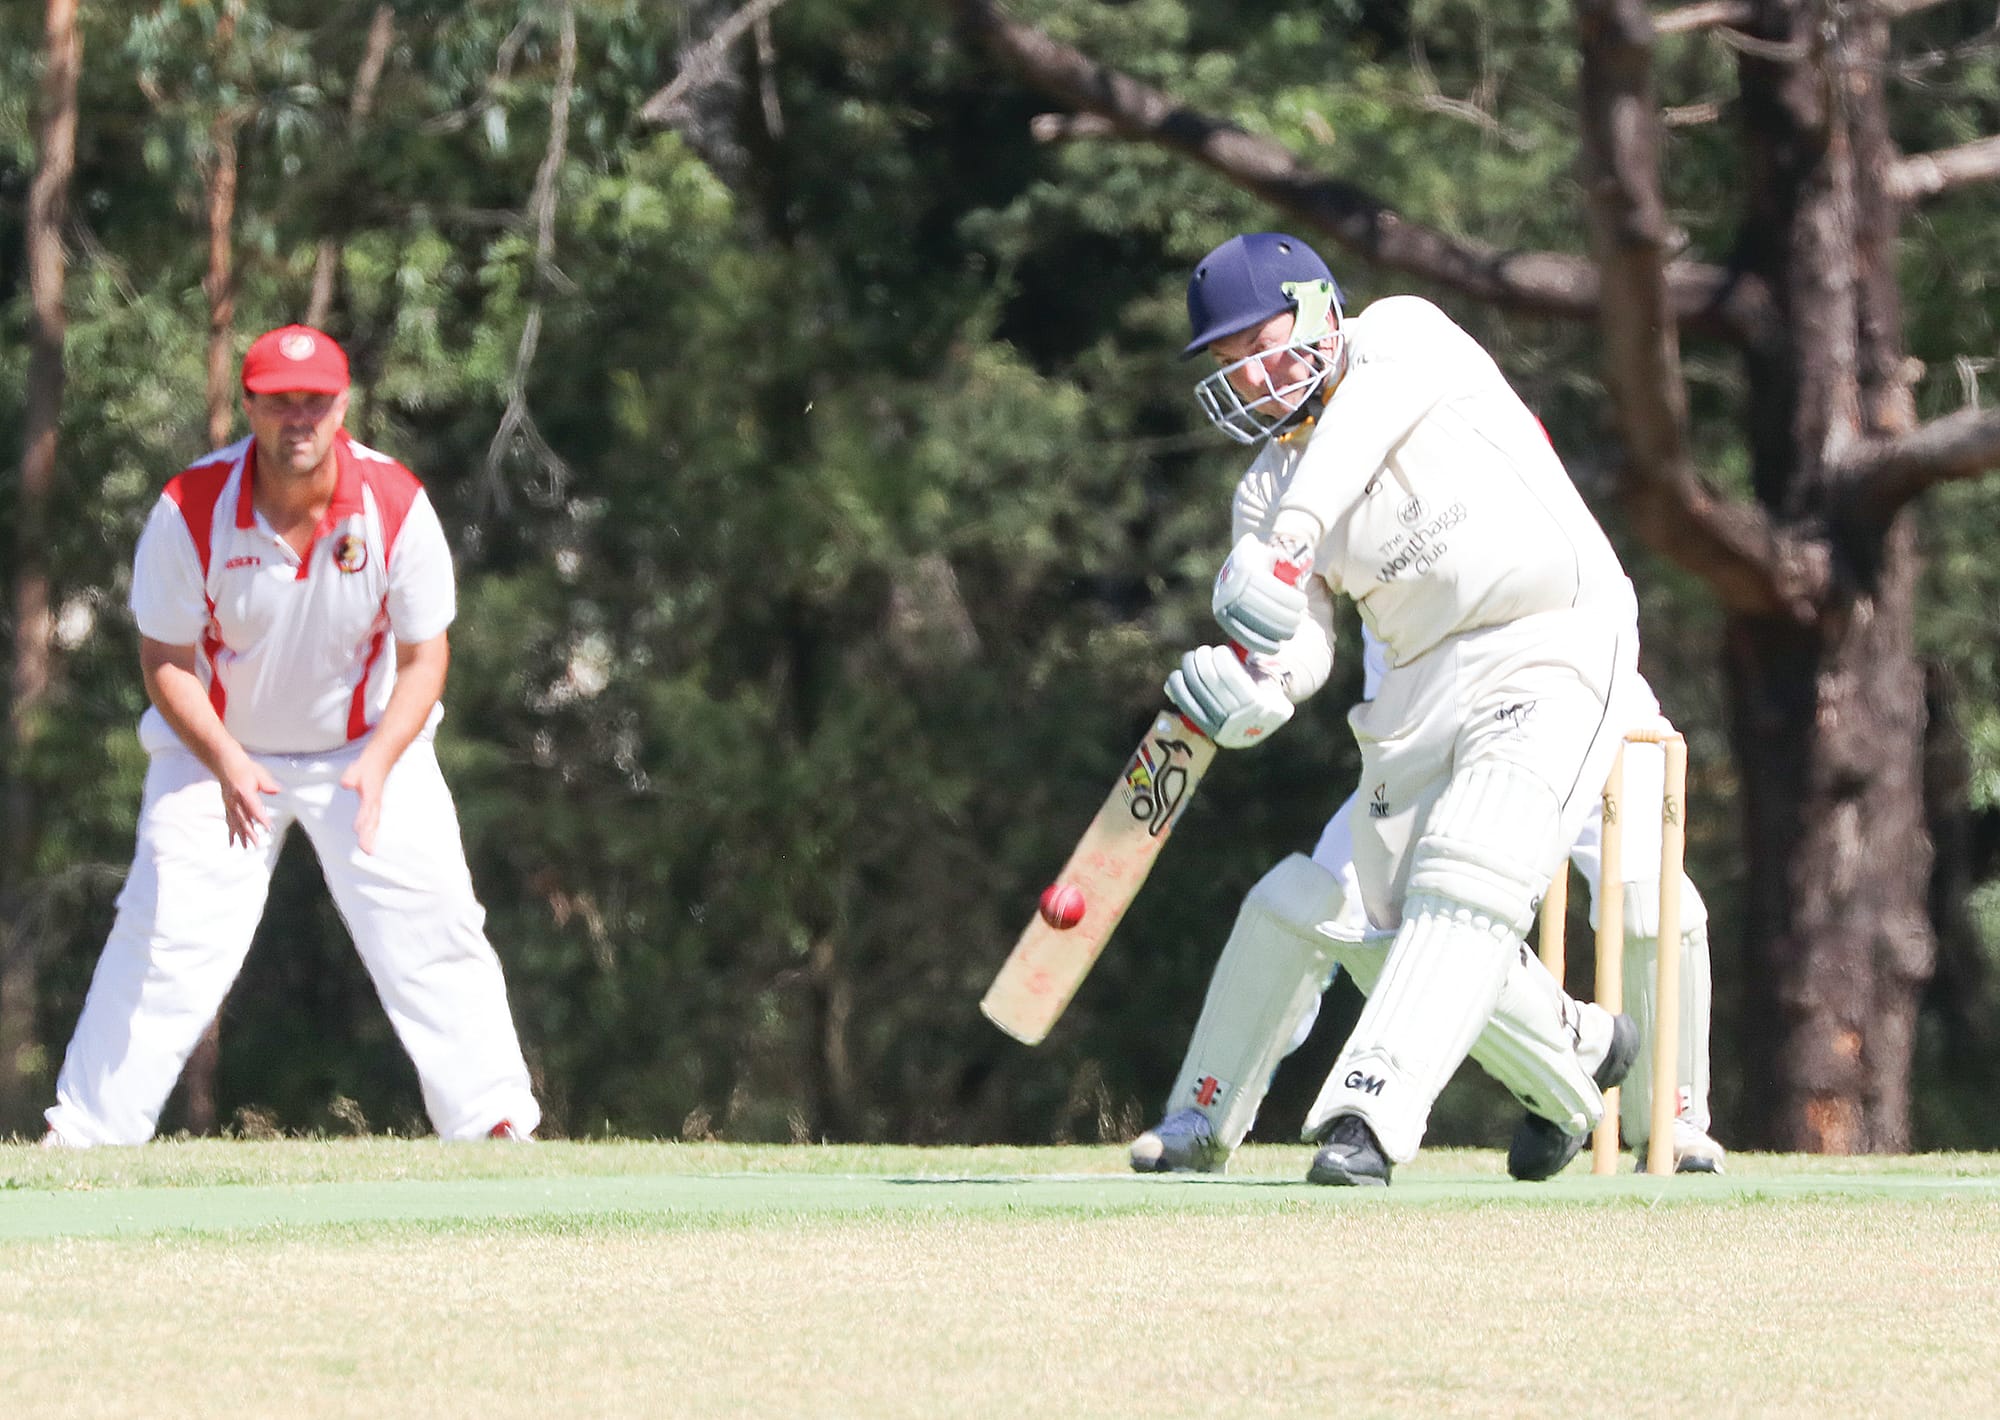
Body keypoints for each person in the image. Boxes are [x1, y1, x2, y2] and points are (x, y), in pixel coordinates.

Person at [1153, 231, 1675, 1186]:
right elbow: (1304, 646)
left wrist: (1295, 537)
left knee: (1473, 869)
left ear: (1317, 314)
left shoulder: (1406, 336)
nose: (1247, 379)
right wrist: (1255, 698)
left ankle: (1366, 1122)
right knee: (1380, 931)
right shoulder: (1263, 492)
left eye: (1254, 346)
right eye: (1227, 364)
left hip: (1551, 633)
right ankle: (1576, 1065)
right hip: (1416, 688)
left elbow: (1364, 424)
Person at [42, 324, 540, 1147]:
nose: (298, 419)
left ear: (343, 406)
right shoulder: (187, 510)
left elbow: (425, 655)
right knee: (163, 933)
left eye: (315, 402)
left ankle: (494, 1123)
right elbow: (165, 662)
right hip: (217, 755)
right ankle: (87, 1135)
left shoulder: (395, 505)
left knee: (436, 922)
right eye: (280, 402)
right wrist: (228, 763)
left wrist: (380, 763)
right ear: (251, 407)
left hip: (369, 748)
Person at [1132, 628, 1727, 1178]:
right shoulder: (1322, 511)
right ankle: (1202, 1117)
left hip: (1583, 709)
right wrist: (1265, 676)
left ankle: (1670, 1123)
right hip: (1433, 739)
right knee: (1312, 899)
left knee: (1646, 896)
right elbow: (1300, 608)